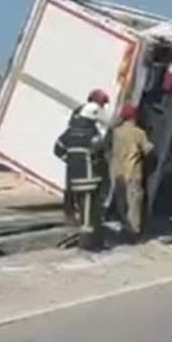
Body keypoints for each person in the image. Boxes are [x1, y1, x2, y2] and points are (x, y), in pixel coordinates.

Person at [54, 89, 111, 250]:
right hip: (90, 179)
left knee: (80, 209)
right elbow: (100, 153)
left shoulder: (69, 131)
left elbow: (58, 149)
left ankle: (80, 233)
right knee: (89, 213)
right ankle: (90, 243)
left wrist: (71, 161)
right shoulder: (92, 135)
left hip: (73, 177)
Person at [109, 103, 153, 242]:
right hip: (133, 173)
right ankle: (133, 232)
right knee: (134, 204)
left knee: (122, 203)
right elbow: (149, 150)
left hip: (117, 174)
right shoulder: (138, 133)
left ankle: (124, 227)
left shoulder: (115, 132)